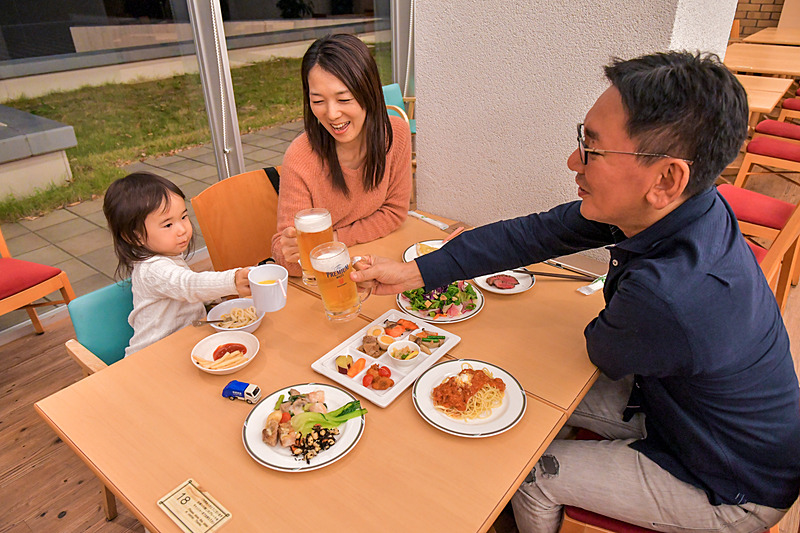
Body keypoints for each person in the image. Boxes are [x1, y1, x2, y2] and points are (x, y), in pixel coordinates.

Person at [351, 51, 800, 533]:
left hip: (729, 481)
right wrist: (415, 271)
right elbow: (534, 234)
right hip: (680, 407)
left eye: (593, 149)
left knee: (530, 474)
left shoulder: (669, 297)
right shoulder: (693, 207)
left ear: (666, 178)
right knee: (516, 388)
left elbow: (602, 349)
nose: (573, 162)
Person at [271, 33, 412, 276]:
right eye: (318, 101)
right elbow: (288, 258)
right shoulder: (301, 157)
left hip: (373, 261)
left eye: (344, 98)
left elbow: (395, 212)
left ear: (369, 92)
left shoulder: (395, 133)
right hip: (329, 281)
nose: (332, 114)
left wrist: (334, 238)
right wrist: (300, 248)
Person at [104, 172, 251, 356]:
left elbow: (187, 291)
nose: (182, 229)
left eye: (183, 217)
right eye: (168, 225)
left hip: (184, 343)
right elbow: (187, 285)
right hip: (151, 357)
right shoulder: (152, 269)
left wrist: (215, 299)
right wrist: (232, 280)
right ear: (135, 236)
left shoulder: (169, 255)